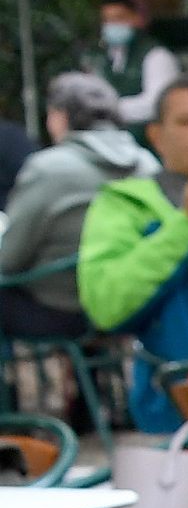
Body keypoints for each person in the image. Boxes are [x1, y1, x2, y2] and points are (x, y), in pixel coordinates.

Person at [74, 73, 188, 425]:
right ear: (156, 136)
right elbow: (107, 304)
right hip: (179, 397)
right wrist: (187, 224)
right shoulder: (125, 203)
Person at [0, 71, 154, 330]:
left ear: (60, 116)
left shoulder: (48, 169)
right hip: (134, 306)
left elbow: (8, 259)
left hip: (63, 310)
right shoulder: (148, 163)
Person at [87, 0, 175, 127]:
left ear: (138, 18)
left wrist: (107, 110)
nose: (112, 25)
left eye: (119, 18)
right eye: (107, 20)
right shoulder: (101, 57)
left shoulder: (156, 55)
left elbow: (155, 104)